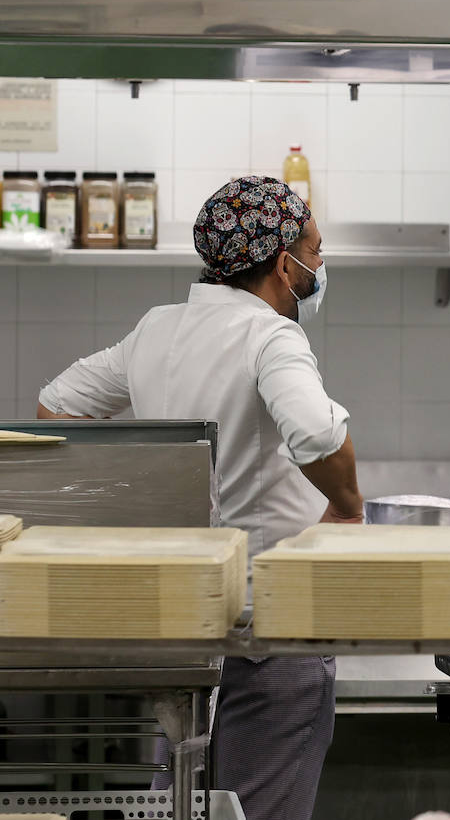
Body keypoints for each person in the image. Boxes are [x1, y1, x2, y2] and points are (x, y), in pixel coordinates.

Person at [36, 175, 360, 820]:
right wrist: (348, 509)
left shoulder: (160, 328)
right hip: (273, 619)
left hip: (185, 615)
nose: (320, 268)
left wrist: (136, 500)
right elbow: (319, 434)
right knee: (256, 809)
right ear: (280, 262)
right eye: (316, 252)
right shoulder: (270, 335)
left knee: (184, 805)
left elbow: (57, 406)